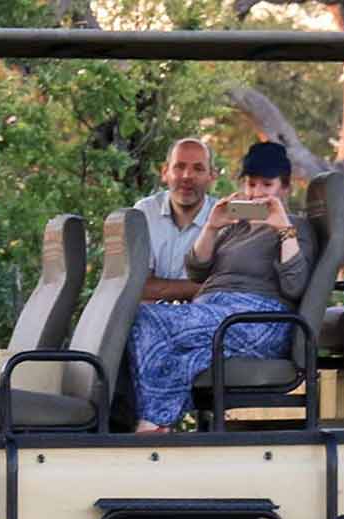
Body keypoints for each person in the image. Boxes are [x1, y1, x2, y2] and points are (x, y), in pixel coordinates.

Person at [126, 141, 316, 432]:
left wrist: (282, 230)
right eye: (251, 184)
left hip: (257, 319)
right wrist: (212, 226)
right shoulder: (235, 227)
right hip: (215, 314)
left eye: (267, 184)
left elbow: (295, 286)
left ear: (285, 188)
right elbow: (197, 270)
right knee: (184, 360)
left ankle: (154, 424)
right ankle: (152, 427)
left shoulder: (297, 228)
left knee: (142, 317)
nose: (257, 193)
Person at [133, 138, 219, 302]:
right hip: (148, 319)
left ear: (212, 176)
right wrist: (203, 287)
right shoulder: (144, 212)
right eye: (179, 166)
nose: (187, 176)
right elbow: (137, 287)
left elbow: (227, 290)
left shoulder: (224, 219)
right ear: (165, 172)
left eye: (198, 169)